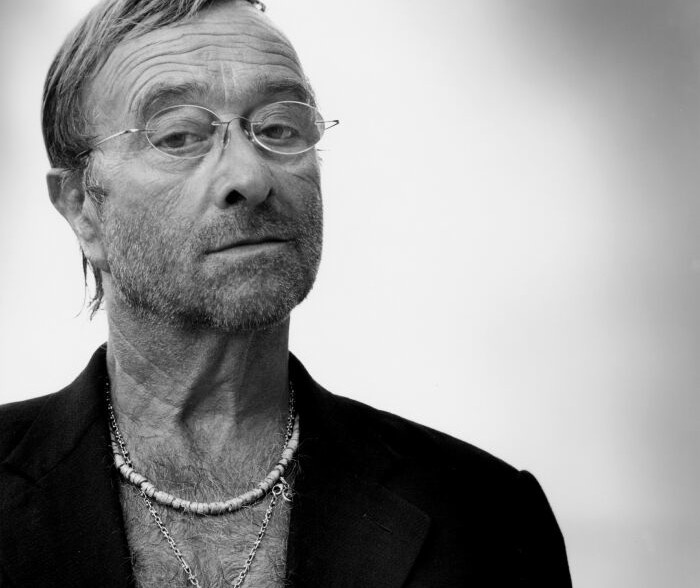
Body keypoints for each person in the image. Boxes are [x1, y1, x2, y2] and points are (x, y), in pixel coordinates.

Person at [0, 0, 572, 586]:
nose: (250, 177)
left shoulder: (489, 517)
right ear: (82, 208)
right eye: (179, 135)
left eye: (279, 127)